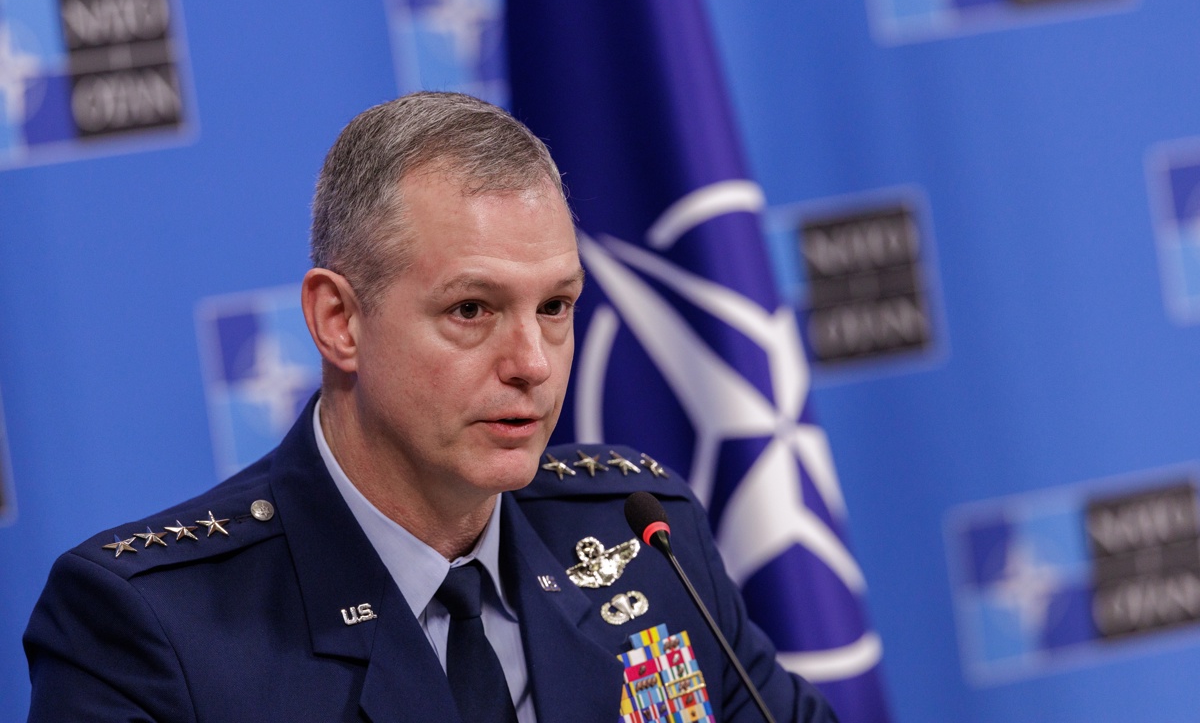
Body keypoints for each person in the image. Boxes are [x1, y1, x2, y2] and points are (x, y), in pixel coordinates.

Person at [24, 92, 838, 722]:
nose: (531, 365)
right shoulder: (155, 625)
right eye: (472, 310)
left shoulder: (642, 535)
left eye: (556, 307)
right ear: (339, 321)